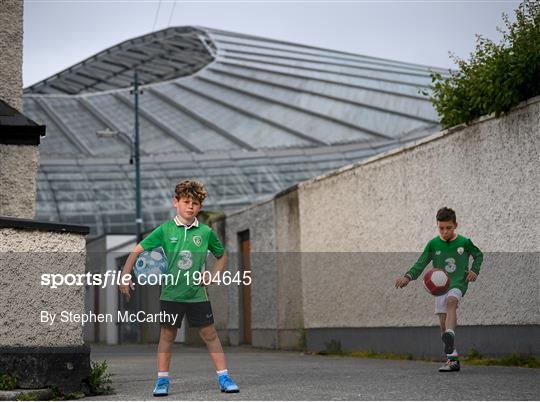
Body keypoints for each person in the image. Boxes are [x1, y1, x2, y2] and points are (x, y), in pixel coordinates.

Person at [119, 180, 240, 396]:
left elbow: (222, 256)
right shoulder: (165, 230)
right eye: (186, 201)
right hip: (171, 294)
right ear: (176, 202)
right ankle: (162, 380)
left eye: (195, 203)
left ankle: (224, 376)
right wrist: (124, 276)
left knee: (210, 335)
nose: (190, 206)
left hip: (197, 294)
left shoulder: (205, 232)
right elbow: (137, 250)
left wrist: (213, 275)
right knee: (167, 336)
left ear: (200, 207)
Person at [395, 207, 483, 372]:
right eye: (441, 228)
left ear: (455, 225)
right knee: (442, 321)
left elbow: (478, 255)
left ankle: (450, 333)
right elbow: (421, 263)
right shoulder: (433, 244)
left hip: (458, 282)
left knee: (452, 302)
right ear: (438, 226)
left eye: (448, 227)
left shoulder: (464, 242)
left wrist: (474, 270)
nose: (445, 231)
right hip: (440, 287)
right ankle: (452, 359)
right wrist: (408, 276)